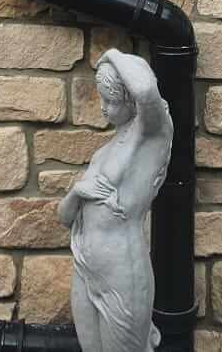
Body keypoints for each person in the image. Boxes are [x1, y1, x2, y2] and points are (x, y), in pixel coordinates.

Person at [60, 49, 172, 352]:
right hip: (85, 265)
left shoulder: (152, 135)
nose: (103, 109)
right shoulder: (104, 152)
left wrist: (110, 54)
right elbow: (65, 218)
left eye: (110, 100)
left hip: (121, 269)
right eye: (102, 100)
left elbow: (146, 89)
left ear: (130, 101)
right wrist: (76, 192)